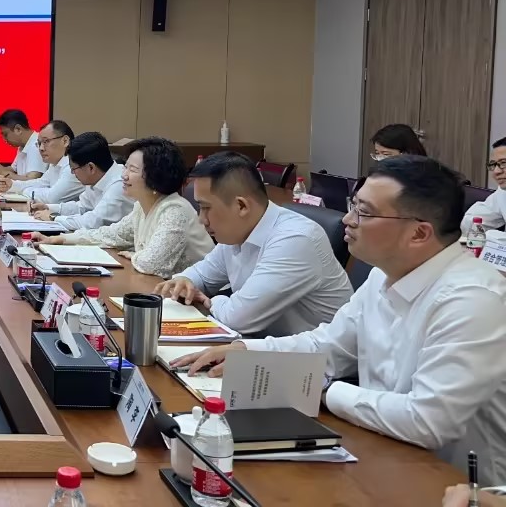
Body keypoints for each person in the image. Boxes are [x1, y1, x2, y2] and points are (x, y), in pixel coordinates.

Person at [173, 156, 506, 484]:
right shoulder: (383, 275)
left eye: (364, 212)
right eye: (353, 205)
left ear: (419, 233)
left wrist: (325, 389)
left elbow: (428, 421)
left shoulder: (472, 299)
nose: (348, 219)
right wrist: (248, 351)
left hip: (458, 484)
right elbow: (328, 345)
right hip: (383, 449)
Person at [155, 152, 353, 336]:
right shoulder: (238, 231)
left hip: (313, 359)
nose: (201, 219)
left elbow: (238, 318)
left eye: (206, 208)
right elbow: (202, 275)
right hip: (266, 346)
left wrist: (212, 301)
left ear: (241, 206)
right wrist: (185, 280)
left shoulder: (295, 239)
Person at [38, 137, 212, 278]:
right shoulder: (141, 207)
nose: (124, 175)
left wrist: (134, 254)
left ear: (156, 176)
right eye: (126, 167)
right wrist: (63, 239)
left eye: (132, 170)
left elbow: (150, 264)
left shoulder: (174, 210)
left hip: (201, 299)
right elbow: (111, 234)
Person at [31, 131, 133, 230]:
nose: (72, 173)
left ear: (91, 167)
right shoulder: (96, 178)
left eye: (74, 169)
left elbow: (93, 222)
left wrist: (53, 217)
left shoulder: (119, 185)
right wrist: (48, 208)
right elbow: (81, 207)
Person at [0, 120, 83, 204]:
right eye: (39, 143)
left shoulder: (74, 166)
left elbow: (51, 198)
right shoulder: (55, 164)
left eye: (46, 141)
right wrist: (12, 185)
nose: (41, 148)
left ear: (65, 141)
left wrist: (24, 191)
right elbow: (41, 183)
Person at [461, 136, 506, 233]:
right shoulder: (503, 193)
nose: (496, 171)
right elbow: (469, 223)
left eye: (503, 163)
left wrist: (490, 236)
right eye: (493, 165)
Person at [0, 109, 46, 179]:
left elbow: (31, 179)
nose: (4, 139)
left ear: (18, 129)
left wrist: (2, 172)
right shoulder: (23, 145)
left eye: (5, 134)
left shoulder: (36, 144)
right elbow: (13, 170)